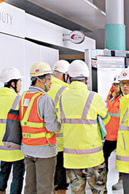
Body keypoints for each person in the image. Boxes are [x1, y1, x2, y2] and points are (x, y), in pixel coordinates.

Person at [58, 60, 110, 194]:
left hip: (71, 159)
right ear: (86, 78)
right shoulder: (94, 97)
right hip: (93, 158)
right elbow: (106, 118)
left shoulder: (62, 98)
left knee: (76, 192)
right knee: (98, 191)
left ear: (69, 78)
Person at [20, 62, 61, 194]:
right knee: (45, 187)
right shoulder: (45, 99)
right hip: (44, 151)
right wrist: (59, 122)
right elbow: (52, 126)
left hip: (28, 149)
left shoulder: (23, 97)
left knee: (30, 187)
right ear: (39, 80)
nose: (50, 83)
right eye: (48, 79)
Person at [0, 67, 25, 194]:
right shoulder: (18, 99)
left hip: (0, 143)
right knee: (17, 175)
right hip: (15, 144)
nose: (21, 85)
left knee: (3, 171)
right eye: (20, 81)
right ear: (13, 83)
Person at [47, 60, 70, 194]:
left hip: (46, 139)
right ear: (65, 75)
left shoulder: (46, 88)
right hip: (61, 141)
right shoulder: (64, 90)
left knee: (51, 173)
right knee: (61, 175)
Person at [104, 75, 123, 190]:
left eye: (117, 85)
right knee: (103, 156)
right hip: (109, 134)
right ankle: (102, 178)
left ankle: (121, 179)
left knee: (120, 159)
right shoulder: (111, 96)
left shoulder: (124, 99)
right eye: (114, 84)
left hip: (120, 134)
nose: (114, 87)